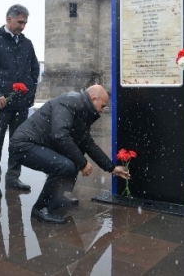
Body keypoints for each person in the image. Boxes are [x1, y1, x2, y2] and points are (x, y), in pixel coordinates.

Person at [9, 85, 130, 224]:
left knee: (75, 154)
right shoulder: (69, 102)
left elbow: (87, 142)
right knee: (64, 165)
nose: (102, 111)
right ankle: (40, 209)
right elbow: (60, 136)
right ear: (93, 98)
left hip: (41, 143)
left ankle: (57, 197)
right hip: (24, 145)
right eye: (102, 106)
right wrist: (83, 163)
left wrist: (111, 168)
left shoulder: (83, 109)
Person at [0, 4, 40, 198]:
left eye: (25, 23)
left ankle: (13, 177)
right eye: (20, 22)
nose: (22, 26)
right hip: (0, 104)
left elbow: (34, 70)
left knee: (18, 143)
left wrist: (29, 95)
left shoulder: (27, 44)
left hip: (21, 104)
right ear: (8, 19)